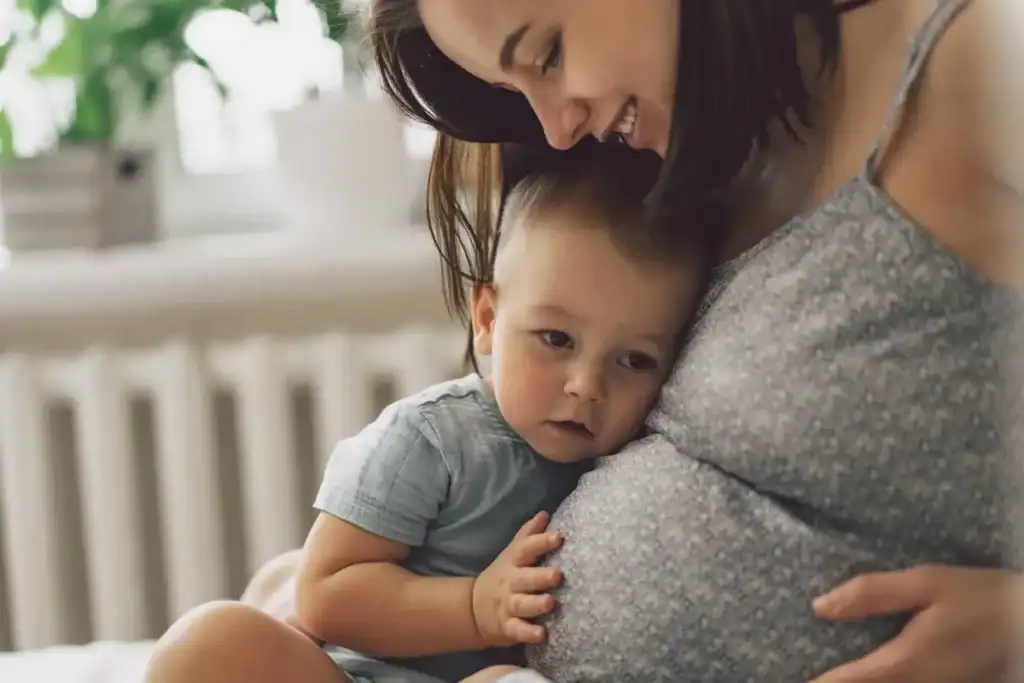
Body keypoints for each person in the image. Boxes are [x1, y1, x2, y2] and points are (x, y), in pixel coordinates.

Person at [145, 0, 1024, 681]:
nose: (558, 126)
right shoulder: (689, 152)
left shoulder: (965, 59)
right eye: (515, 90)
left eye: (550, 53)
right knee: (214, 642)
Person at [142, 147, 710, 683]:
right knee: (208, 641)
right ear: (487, 317)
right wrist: (474, 607)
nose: (587, 386)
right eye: (556, 338)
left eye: (634, 360)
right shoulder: (433, 437)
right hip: (349, 673)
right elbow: (325, 591)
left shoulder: (637, 462)